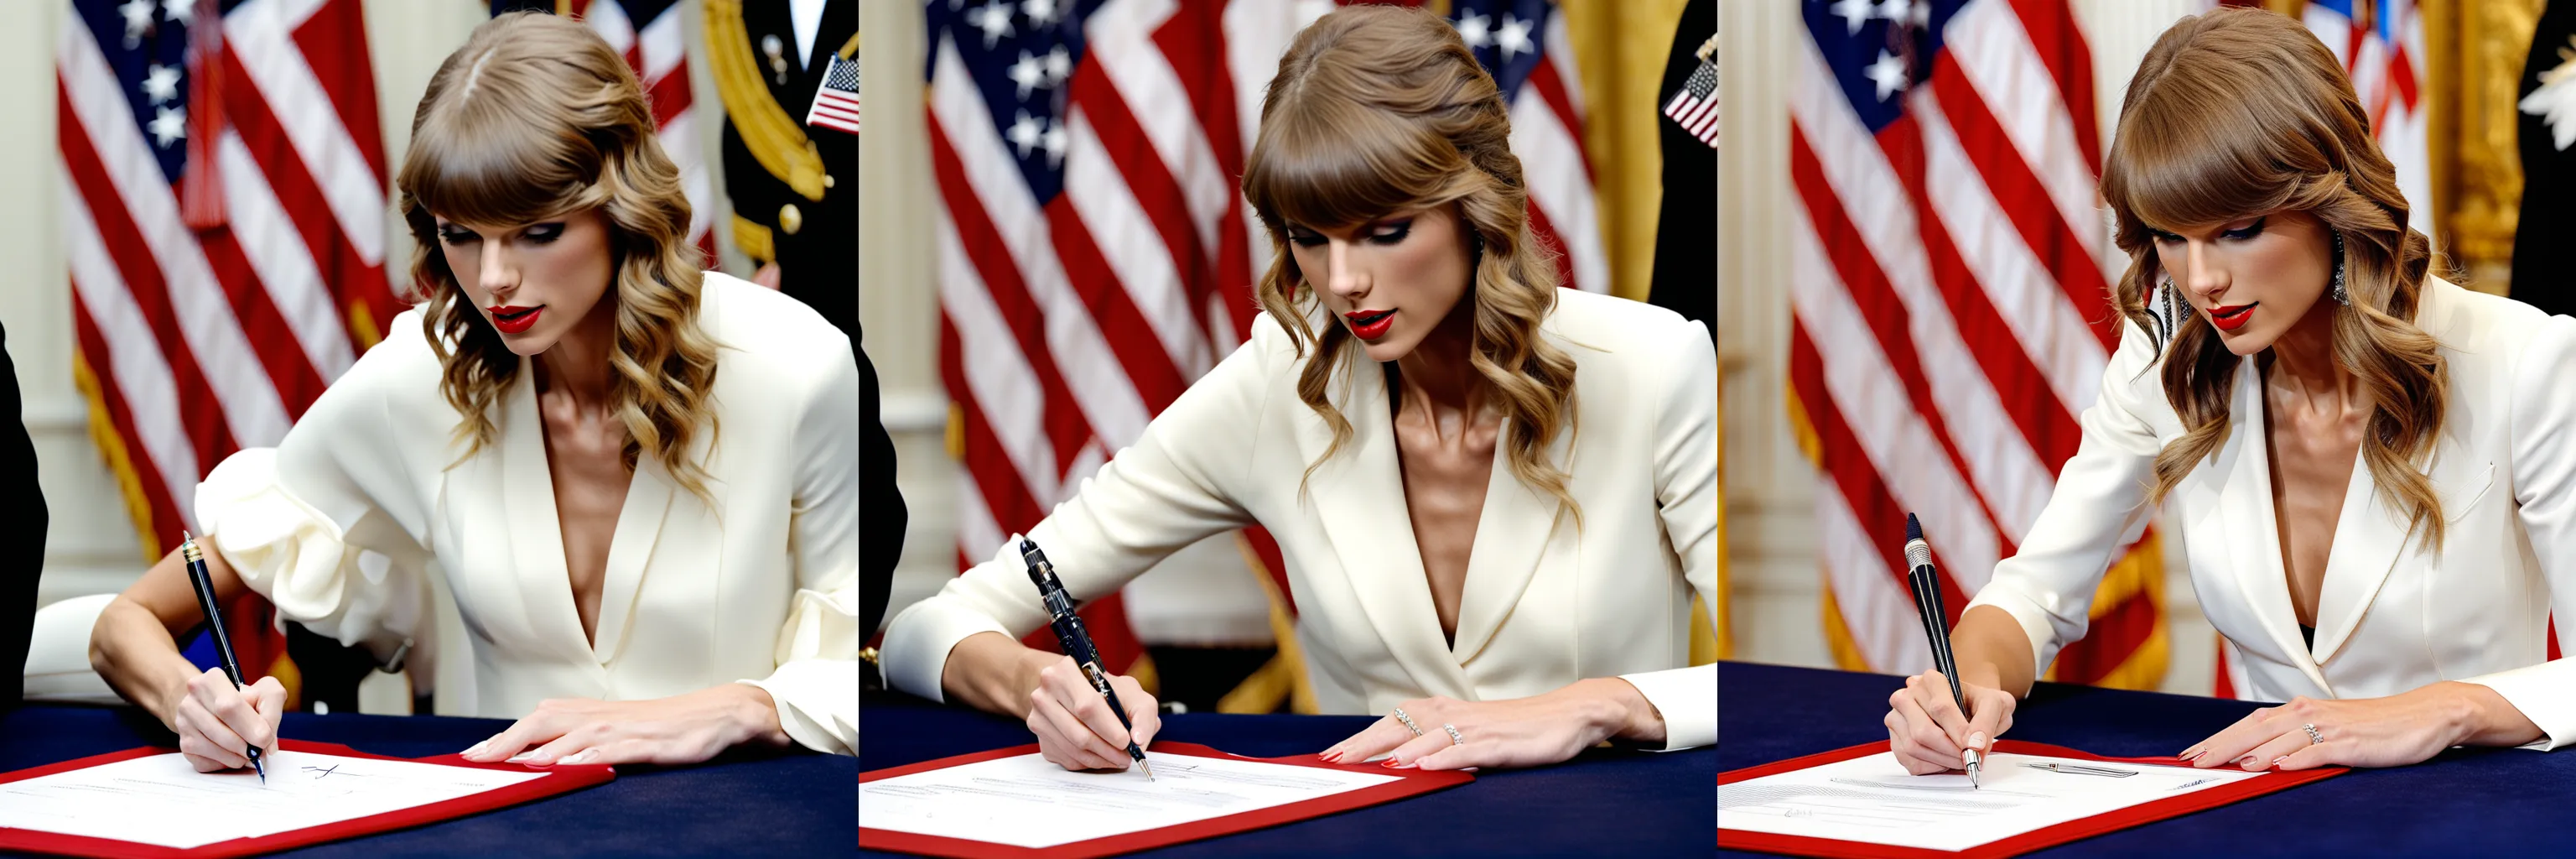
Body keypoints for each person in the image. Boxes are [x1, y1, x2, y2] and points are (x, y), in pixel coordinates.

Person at [879, 4, 1717, 773]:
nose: (1345, 280)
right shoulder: (1274, 384)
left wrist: (1604, 702)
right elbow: (925, 629)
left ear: (1478, 204)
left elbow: (1783, 684)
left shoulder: (1651, 365)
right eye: (1309, 238)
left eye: (1387, 231)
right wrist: (1043, 682)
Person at [87, 12, 857, 773]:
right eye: (461, 234)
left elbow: (860, 677)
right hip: (506, 829)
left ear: (622, 207)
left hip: (746, 826)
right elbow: (125, 624)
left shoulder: (797, 367)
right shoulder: (420, 374)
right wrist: (194, 701)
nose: (494, 279)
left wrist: (736, 709)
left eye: (537, 231)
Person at [1885, 7, 2576, 778]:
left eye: (2239, 229)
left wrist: (2447, 706)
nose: (2203, 280)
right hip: (2261, 815)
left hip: (2480, 813)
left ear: (2330, 199)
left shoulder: (2525, 361)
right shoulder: (2163, 362)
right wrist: (1966, 686)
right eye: (2171, 236)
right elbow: (2035, 593)